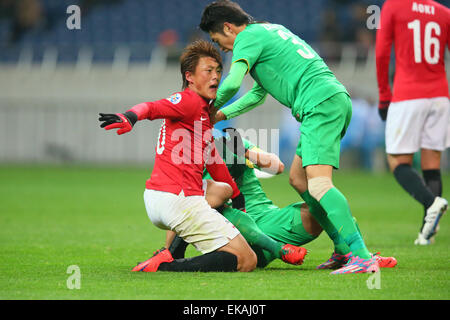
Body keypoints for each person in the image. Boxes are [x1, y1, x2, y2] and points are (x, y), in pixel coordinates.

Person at [199, 0, 377, 274]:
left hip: (320, 104)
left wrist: (204, 107)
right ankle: (343, 249)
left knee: (319, 185)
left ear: (228, 27)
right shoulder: (269, 31)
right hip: (327, 100)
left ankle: (361, 255)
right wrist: (219, 116)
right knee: (299, 179)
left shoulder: (247, 37)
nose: (221, 46)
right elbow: (258, 94)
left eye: (217, 39)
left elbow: (233, 83)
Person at [98, 40, 257, 272]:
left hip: (158, 197)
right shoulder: (188, 100)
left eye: (218, 71)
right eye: (208, 71)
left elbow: (214, 160)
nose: (215, 77)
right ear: (190, 77)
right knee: (246, 260)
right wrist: (131, 116)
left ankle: (172, 252)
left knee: (221, 190)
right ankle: (165, 266)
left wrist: (236, 195)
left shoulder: (202, 113)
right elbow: (153, 107)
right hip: (178, 199)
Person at [168, 129, 397, 270]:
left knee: (318, 205)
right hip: (233, 230)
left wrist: (244, 152)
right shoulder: (187, 159)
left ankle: (356, 252)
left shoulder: (230, 140)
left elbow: (276, 166)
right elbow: (180, 210)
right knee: (214, 205)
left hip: (270, 217)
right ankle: (274, 249)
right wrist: (168, 252)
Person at [375, 0, 449, 245]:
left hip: (408, 95)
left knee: (397, 161)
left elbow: (382, 52)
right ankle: (426, 234)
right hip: (439, 95)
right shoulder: (444, 13)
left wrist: (385, 96)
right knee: (432, 163)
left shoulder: (394, 6)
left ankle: (431, 203)